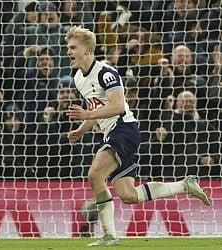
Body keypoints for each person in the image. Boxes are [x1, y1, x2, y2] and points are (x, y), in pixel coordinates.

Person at [64, 26, 211, 247]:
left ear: (87, 49)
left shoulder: (106, 73)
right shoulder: (78, 78)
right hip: (112, 133)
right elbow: (96, 108)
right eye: (68, 47)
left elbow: (117, 106)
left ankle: (110, 236)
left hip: (123, 129)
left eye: (73, 47)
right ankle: (185, 185)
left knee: (94, 175)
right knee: (128, 195)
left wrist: (88, 114)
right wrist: (82, 129)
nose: (68, 51)